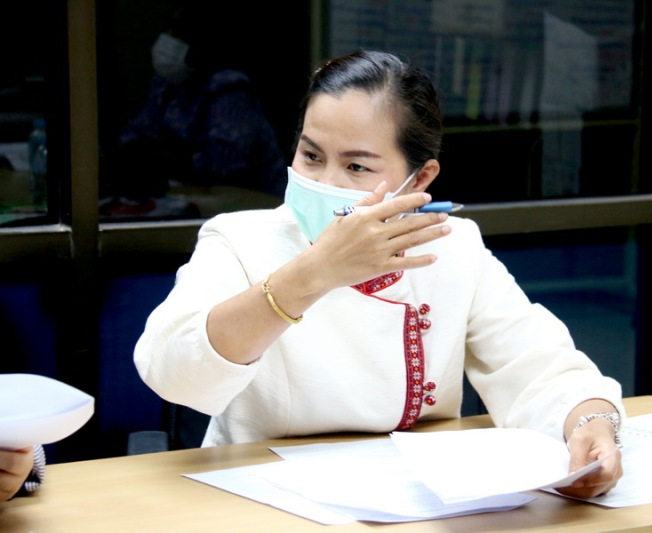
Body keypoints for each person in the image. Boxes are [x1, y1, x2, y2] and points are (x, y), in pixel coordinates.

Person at [134, 49, 624, 499]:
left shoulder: (452, 246)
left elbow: (539, 368)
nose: (325, 181)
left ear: (420, 179)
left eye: (357, 167)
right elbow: (175, 376)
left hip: (423, 498)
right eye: (311, 156)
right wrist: (310, 275)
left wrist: (591, 423)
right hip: (263, 497)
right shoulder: (240, 240)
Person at [102, 0, 286, 215]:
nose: (168, 39)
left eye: (178, 31)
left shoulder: (230, 89)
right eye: (168, 29)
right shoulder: (166, 84)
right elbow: (134, 139)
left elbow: (220, 167)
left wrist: (169, 156)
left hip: (249, 207)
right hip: (186, 196)